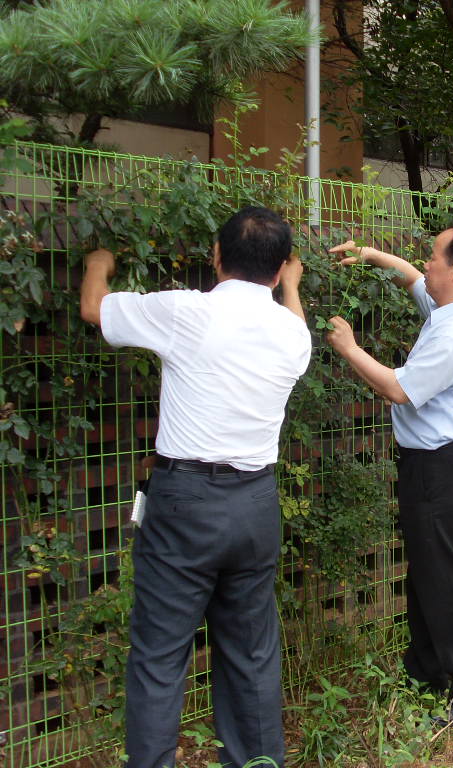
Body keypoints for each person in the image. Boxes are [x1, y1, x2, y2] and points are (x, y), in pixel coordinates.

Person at [79, 206, 311, 768]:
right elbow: (294, 319)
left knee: (160, 657)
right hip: (256, 504)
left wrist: (99, 260)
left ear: (215, 256)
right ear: (280, 270)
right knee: (253, 656)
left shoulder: (186, 312)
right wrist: (293, 288)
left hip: (184, 503)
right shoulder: (293, 333)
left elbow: (94, 308)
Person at [325, 223, 453, 726]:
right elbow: (409, 278)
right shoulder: (451, 311)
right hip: (432, 467)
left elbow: (398, 390)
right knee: (426, 576)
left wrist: (349, 347)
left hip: (443, 470)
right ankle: (426, 672)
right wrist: (371, 254)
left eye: (433, 257)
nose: (425, 263)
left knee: (450, 579)